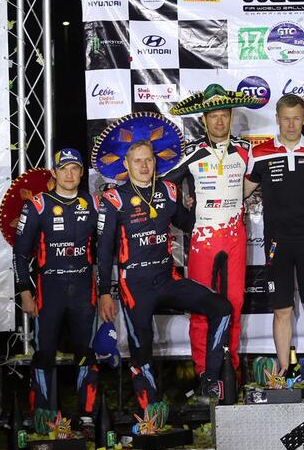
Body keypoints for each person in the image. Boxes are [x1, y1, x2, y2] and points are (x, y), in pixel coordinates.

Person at [94, 112, 233, 417]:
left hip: (167, 278)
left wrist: (195, 207)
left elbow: (186, 224)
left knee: (221, 308)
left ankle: (210, 380)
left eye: (149, 160)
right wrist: (104, 292)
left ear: (155, 162)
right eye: (138, 161)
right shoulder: (114, 199)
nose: (144, 166)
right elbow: (103, 251)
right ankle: (152, 416)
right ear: (127, 164)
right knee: (142, 348)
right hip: (135, 285)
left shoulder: (168, 191)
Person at [165, 84, 262, 384]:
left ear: (231, 117)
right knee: (201, 307)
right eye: (213, 116)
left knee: (234, 304)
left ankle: (230, 371)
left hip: (234, 238)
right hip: (203, 239)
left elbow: (262, 177)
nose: (219, 121)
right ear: (204, 120)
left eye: (224, 115)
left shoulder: (245, 150)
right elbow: (165, 185)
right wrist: (185, 215)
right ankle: (203, 372)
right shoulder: (194, 152)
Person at [244, 94, 304, 373]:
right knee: (282, 310)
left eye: (296, 118)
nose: (291, 124)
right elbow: (241, 192)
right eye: (286, 119)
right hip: (277, 243)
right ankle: (283, 371)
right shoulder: (260, 152)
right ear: (277, 119)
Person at [13, 148, 99, 434]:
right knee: (45, 352)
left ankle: (87, 418)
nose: (69, 174)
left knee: (86, 353)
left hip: (84, 289)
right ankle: (45, 418)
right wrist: (25, 292)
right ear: (54, 173)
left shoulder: (93, 203)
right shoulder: (37, 205)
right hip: (49, 289)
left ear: (82, 172)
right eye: (64, 169)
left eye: (74, 168)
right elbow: (20, 253)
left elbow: (106, 247)